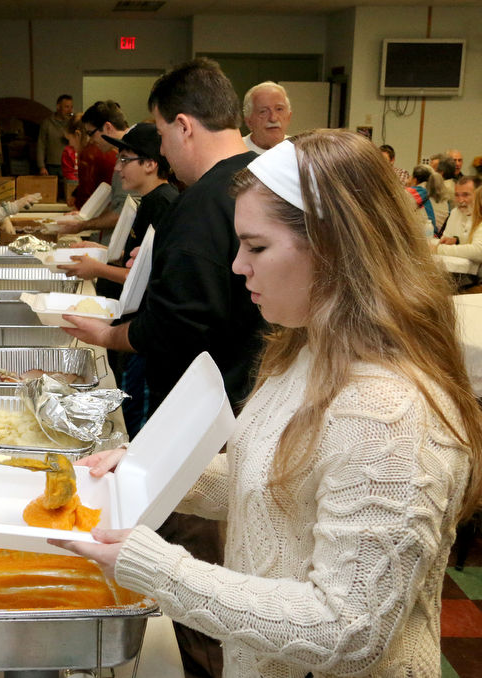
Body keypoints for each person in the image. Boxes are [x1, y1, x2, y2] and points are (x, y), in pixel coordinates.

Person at [55, 130, 482, 678]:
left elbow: (345, 629)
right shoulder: (307, 348)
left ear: (334, 248)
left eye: (256, 247)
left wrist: (160, 570)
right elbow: (279, 484)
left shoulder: (387, 411)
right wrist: (156, 473)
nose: (237, 265)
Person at [61, 58, 264, 678]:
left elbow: (182, 319)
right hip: (246, 396)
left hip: (212, 405)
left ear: (181, 126)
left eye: (159, 133)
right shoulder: (260, 175)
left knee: (195, 570)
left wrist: (113, 334)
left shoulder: (207, 200)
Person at [60, 122, 178, 435]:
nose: (118, 167)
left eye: (126, 160)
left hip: (143, 331)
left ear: (151, 164)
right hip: (132, 326)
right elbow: (134, 259)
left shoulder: (162, 203)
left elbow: (147, 278)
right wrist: (99, 251)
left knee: (135, 419)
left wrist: (96, 268)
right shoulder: (149, 201)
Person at [57, 100, 135, 238]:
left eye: (91, 133)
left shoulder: (134, 154)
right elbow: (116, 205)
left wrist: (83, 224)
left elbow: (122, 213)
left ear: (108, 127)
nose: (90, 140)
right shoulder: (122, 152)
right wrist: (88, 216)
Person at [69, 114, 116, 209]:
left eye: (69, 139)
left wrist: (79, 213)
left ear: (77, 135)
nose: (70, 144)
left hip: (104, 210)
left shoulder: (87, 154)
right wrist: (75, 194)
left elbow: (86, 193)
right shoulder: (103, 149)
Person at [432, 181, 482, 263]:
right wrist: (457, 241)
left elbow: (478, 251)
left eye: (466, 195)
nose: (460, 200)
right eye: (457, 195)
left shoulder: (479, 215)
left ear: (477, 196)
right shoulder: (455, 212)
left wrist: (439, 249)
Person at [241, 81, 292, 154]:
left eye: (279, 109)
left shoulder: (300, 152)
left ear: (289, 117)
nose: (273, 118)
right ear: (248, 122)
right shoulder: (234, 152)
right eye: (263, 111)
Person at [36, 94, 73, 178]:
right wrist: (41, 166)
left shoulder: (72, 124)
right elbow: (41, 145)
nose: (69, 110)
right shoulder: (47, 123)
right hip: (51, 166)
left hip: (69, 165)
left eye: (71, 107)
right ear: (58, 107)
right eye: (67, 107)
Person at [407, 164, 446, 235]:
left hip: (422, 238)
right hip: (438, 238)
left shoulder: (413, 192)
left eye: (410, 176)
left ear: (415, 180)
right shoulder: (442, 193)